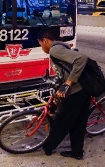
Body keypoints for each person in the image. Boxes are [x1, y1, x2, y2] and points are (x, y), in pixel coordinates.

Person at [37, 28, 90, 160]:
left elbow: (82, 58)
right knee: (78, 122)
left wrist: (68, 83)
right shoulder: (62, 47)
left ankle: (48, 147)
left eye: (41, 45)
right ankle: (77, 152)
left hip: (75, 91)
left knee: (61, 121)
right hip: (84, 90)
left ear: (45, 41)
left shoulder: (55, 49)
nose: (42, 48)